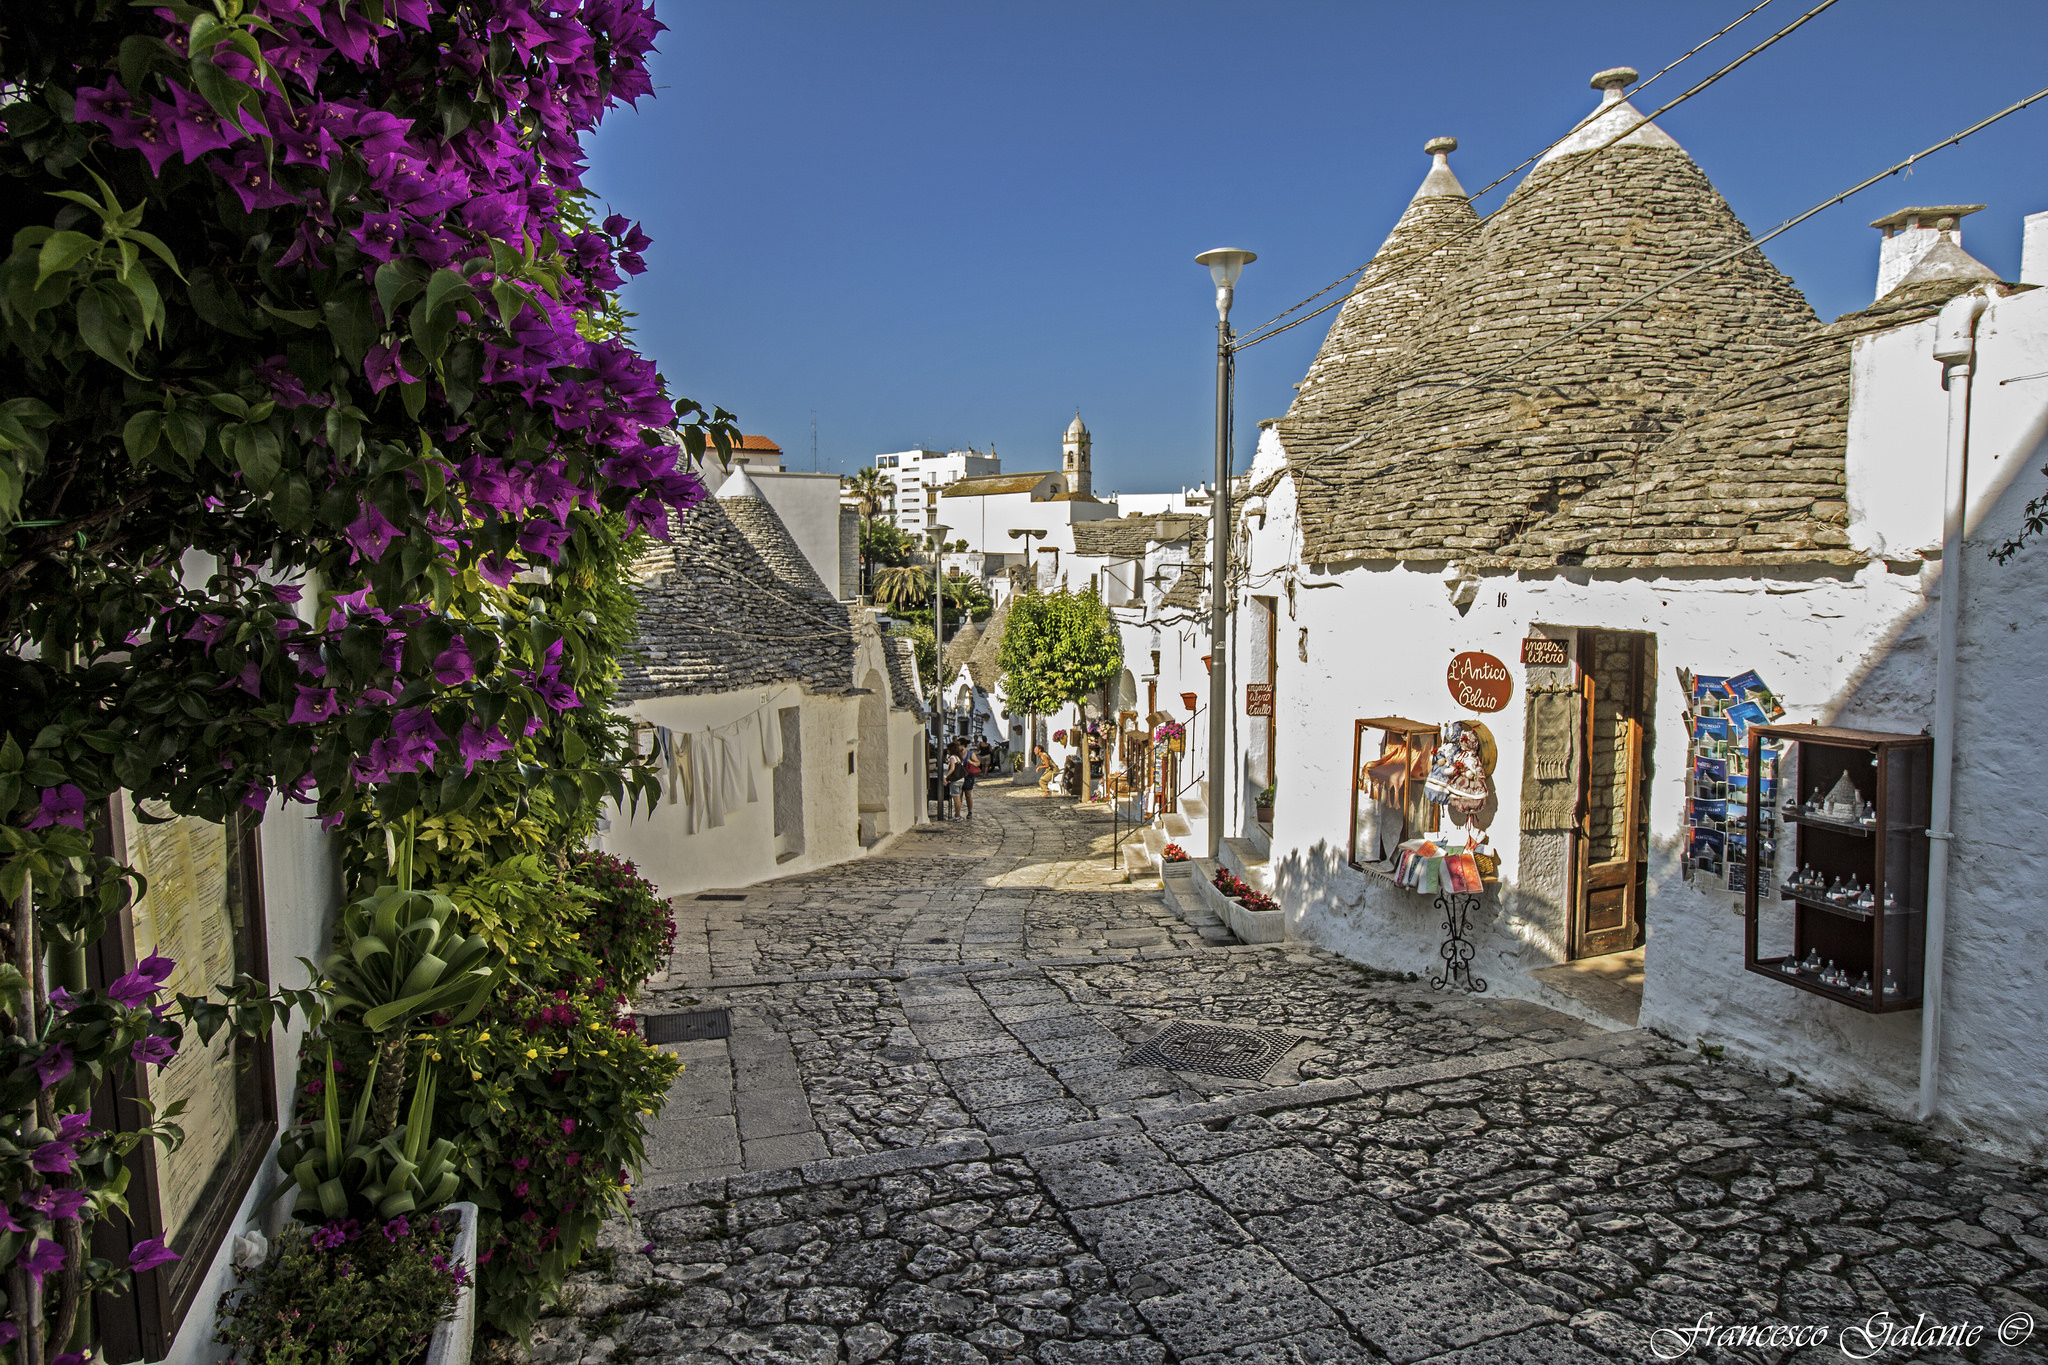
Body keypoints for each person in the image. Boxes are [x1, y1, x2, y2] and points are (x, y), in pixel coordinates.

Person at [943, 741, 966, 821]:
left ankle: (957, 816)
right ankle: (957, 815)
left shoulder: (952, 757)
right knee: (958, 797)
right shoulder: (958, 757)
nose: (947, 750)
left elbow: (952, 769)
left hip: (955, 780)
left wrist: (945, 776)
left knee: (956, 798)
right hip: (961, 779)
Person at [961, 739, 981, 818]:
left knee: (968, 795)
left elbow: (978, 763)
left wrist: (971, 762)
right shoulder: (957, 754)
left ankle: (970, 811)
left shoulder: (970, 754)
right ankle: (958, 812)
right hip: (959, 776)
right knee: (959, 795)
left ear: (963, 746)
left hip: (968, 776)